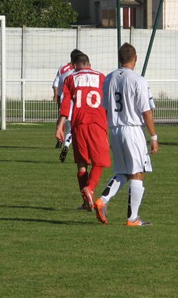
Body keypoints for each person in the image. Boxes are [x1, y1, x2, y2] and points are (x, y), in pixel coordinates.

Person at [94, 43, 159, 226]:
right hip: (132, 129)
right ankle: (132, 218)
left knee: (123, 171)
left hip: (115, 129)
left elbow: (105, 108)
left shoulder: (108, 79)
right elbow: (146, 111)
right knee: (138, 172)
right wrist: (153, 137)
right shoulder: (138, 80)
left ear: (119, 58)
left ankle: (102, 200)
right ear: (135, 58)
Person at [55, 53, 110, 211]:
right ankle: (90, 189)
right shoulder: (101, 77)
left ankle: (86, 202)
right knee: (99, 162)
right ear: (89, 64)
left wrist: (60, 126)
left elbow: (65, 104)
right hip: (97, 123)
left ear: (73, 65)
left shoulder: (70, 78)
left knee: (81, 165)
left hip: (78, 124)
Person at [53, 49, 83, 161]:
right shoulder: (82, 75)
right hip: (80, 106)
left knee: (69, 129)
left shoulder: (65, 73)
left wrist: (58, 100)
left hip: (67, 106)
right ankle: (71, 146)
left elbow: (60, 91)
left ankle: (65, 144)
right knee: (79, 131)